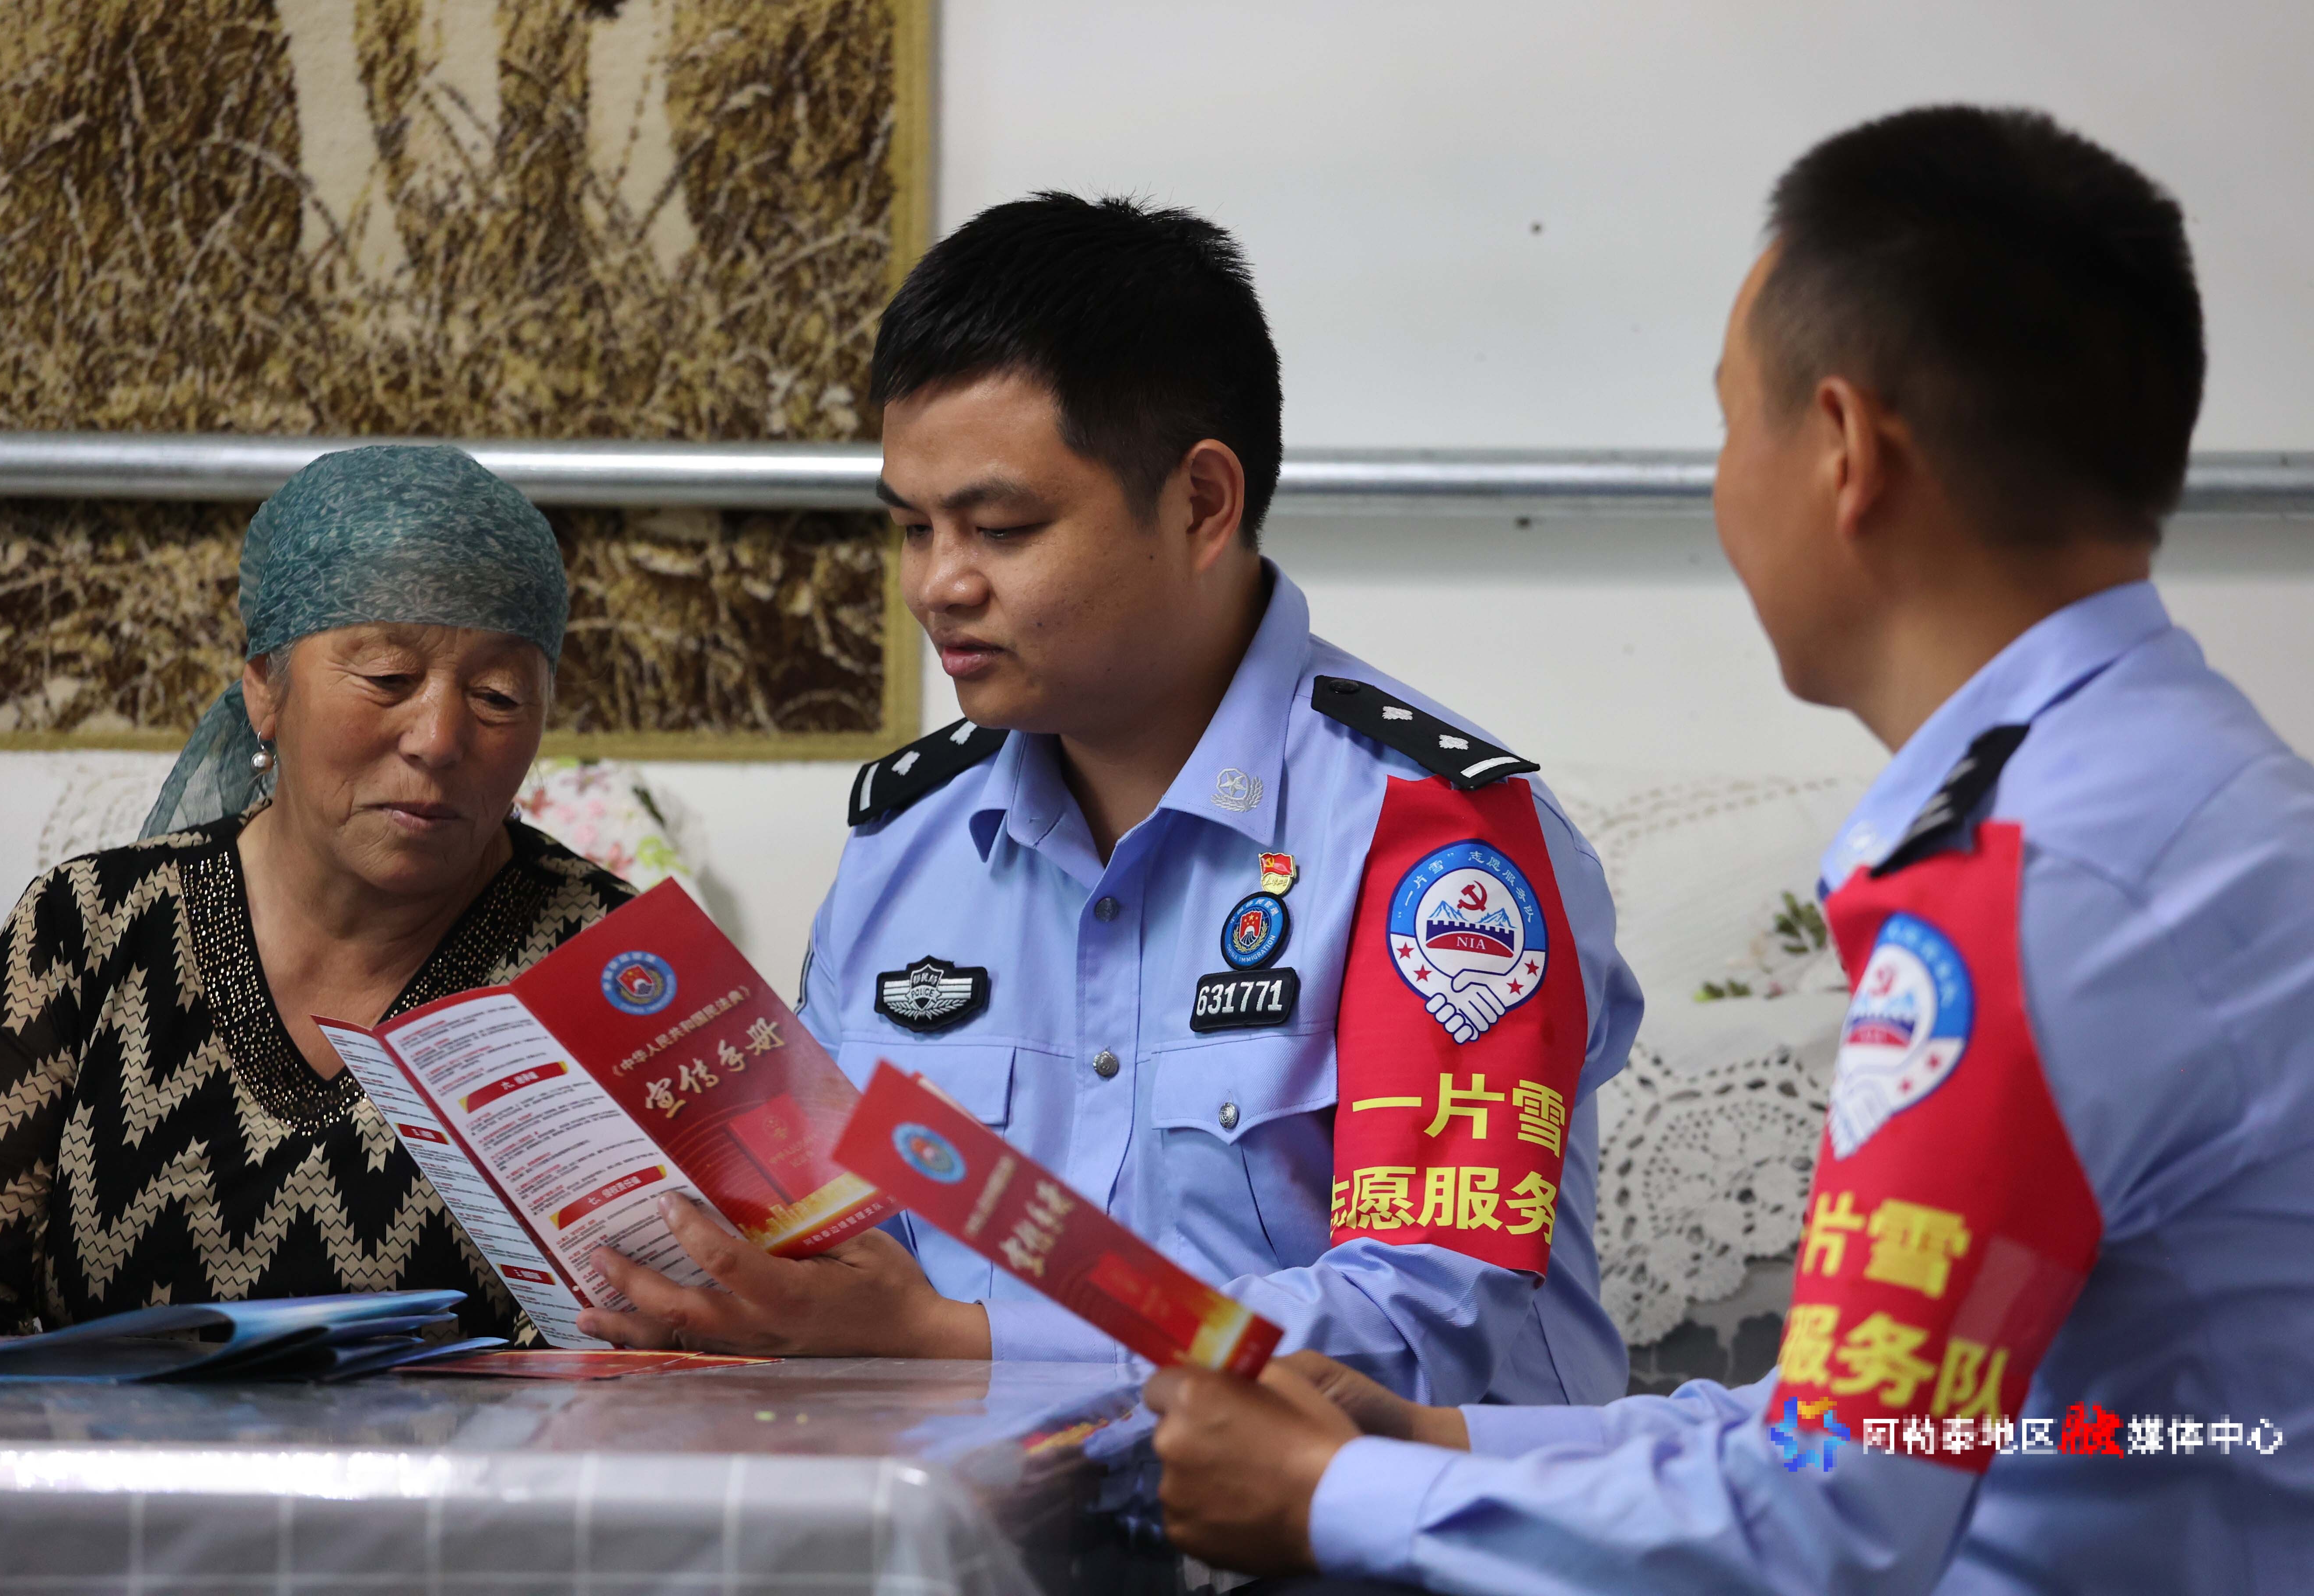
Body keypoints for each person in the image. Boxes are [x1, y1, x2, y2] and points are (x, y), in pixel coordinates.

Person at [1143, 106, 2314, 1593]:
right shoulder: (2187, 792)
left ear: (1844, 452)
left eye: (1730, 421)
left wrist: (1334, 1500)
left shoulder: (2036, 884)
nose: (1723, 482)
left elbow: (1827, 1522)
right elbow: (1872, 1418)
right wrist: (1437, 1440)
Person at [578, 193, 1645, 1409]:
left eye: (1001, 527)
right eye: (914, 529)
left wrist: (962, 1342)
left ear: (1201, 506)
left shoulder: (1433, 845)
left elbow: (1422, 1321)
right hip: (968, 1509)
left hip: (1360, 1515)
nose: (938, 586)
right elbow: (837, 1243)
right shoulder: (905, 846)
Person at [0, 446, 634, 1343]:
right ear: (265, 688)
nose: (440, 738)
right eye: (389, 679)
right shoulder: (87, 928)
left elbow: (639, 1330)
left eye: (498, 696)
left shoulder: (607, 964)